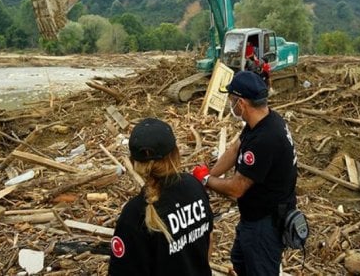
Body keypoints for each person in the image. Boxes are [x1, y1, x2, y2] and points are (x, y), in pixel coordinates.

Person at [192, 71, 297, 275]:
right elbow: (235, 148)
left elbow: (236, 189)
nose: (230, 105)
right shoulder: (263, 121)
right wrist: (211, 172)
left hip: (265, 224)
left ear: (241, 104)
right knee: (240, 262)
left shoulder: (265, 139)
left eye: (232, 100)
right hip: (253, 218)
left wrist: (205, 180)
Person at [109, 118, 214, 276]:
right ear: (175, 153)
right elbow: (209, 239)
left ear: (133, 162)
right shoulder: (194, 187)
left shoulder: (134, 215)